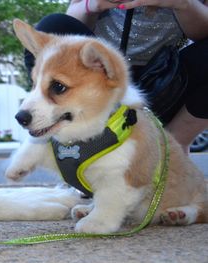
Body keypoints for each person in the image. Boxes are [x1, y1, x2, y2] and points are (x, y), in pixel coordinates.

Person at [25, 0, 208, 153]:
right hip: (97, 82)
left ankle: (171, 143)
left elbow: (203, 35)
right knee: (53, 25)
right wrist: (93, 4)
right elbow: (65, 32)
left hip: (165, 82)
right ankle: (77, 140)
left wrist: (182, 3)